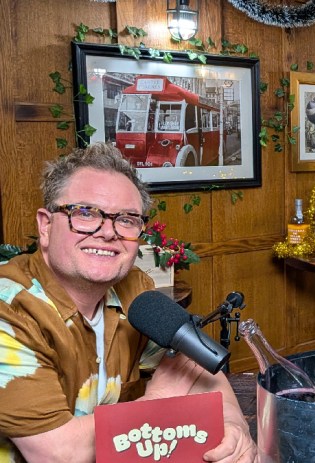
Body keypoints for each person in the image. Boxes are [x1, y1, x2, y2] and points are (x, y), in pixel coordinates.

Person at [0, 143, 257, 462]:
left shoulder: (134, 288)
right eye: (85, 213)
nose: (108, 232)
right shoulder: (8, 309)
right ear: (46, 225)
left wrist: (233, 425)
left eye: (126, 219)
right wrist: (160, 400)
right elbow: (59, 453)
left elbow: (196, 367)